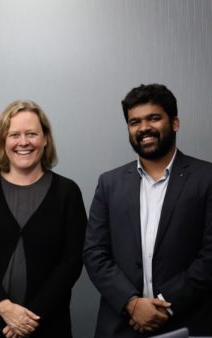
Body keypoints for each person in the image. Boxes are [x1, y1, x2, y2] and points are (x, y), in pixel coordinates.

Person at [83, 84, 212, 337]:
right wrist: (131, 304)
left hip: (188, 322)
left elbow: (210, 256)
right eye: (134, 122)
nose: (144, 128)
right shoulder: (109, 183)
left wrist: (165, 305)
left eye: (154, 118)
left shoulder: (206, 178)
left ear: (174, 123)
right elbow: (94, 252)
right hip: (121, 325)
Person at [0, 100, 87, 338]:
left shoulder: (67, 192)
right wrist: (4, 307)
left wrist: (29, 317)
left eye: (32, 134)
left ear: (45, 138)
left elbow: (72, 261)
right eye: (14, 134)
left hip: (45, 324)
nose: (23, 142)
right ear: (2, 140)